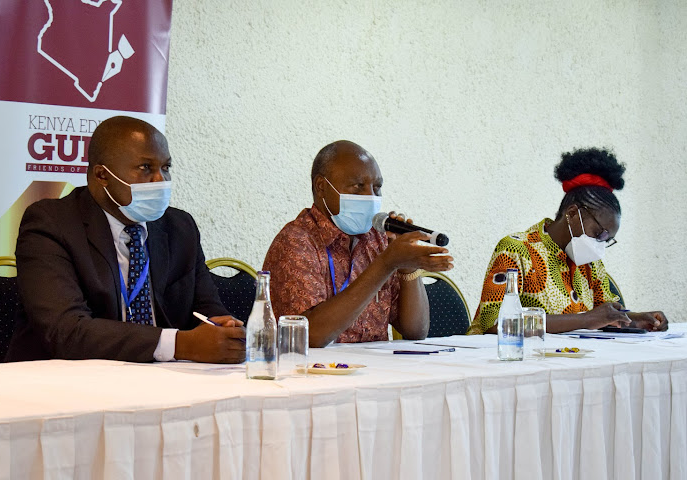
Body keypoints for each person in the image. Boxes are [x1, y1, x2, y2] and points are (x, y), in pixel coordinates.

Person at [6, 116, 245, 363]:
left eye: (166, 168)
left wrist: (224, 331)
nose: (160, 181)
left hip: (165, 381)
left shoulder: (179, 227)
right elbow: (66, 331)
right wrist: (178, 344)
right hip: (67, 382)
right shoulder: (51, 224)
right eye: (146, 168)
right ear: (102, 175)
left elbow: (207, 309)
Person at [263, 140, 454, 348]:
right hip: (315, 375)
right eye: (358, 187)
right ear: (321, 187)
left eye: (377, 188)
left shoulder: (378, 239)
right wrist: (386, 264)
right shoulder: (296, 241)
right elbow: (311, 337)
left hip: (374, 373)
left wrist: (408, 267)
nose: (370, 197)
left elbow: (416, 330)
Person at [468, 147, 668, 335]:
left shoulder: (590, 262)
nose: (600, 244)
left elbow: (605, 314)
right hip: (507, 360)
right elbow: (494, 324)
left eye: (607, 239)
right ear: (572, 214)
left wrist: (633, 320)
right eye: (598, 233)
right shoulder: (516, 250)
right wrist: (584, 320)